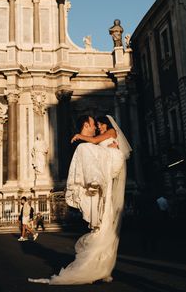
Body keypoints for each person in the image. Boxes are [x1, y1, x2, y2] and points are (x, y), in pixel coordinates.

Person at [29, 114, 131, 284]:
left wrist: (82, 137)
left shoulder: (108, 133)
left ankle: (99, 268)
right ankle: (98, 268)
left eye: (98, 124)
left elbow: (96, 142)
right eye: (95, 125)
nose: (97, 127)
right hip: (103, 178)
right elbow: (96, 148)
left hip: (108, 172)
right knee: (102, 228)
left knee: (83, 149)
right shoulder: (93, 144)